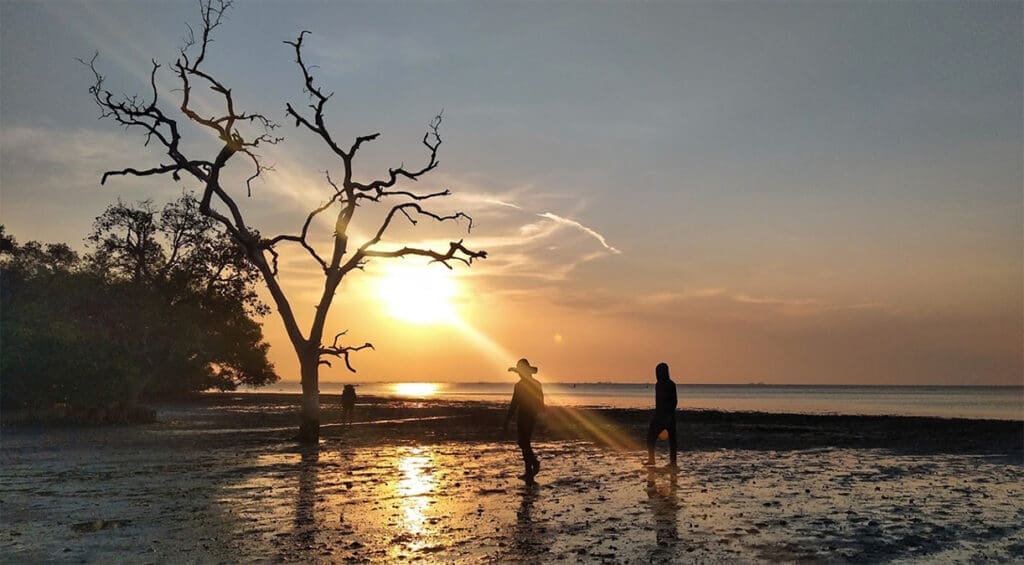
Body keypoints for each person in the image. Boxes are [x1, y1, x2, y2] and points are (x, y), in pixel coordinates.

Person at [503, 358, 544, 483]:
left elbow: (514, 404)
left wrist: (507, 420)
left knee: (523, 442)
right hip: (528, 417)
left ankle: (533, 465)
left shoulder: (520, 386)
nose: (519, 374)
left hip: (527, 417)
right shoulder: (534, 384)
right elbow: (540, 403)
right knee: (524, 442)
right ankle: (529, 470)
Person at [646, 362, 678, 467]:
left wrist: (668, 414)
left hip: (669, 416)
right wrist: (656, 415)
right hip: (659, 416)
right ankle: (651, 459)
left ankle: (673, 462)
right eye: (657, 372)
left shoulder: (671, 384)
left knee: (672, 440)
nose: (658, 374)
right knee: (651, 437)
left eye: (660, 372)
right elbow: (658, 402)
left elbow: (674, 401)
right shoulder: (658, 385)